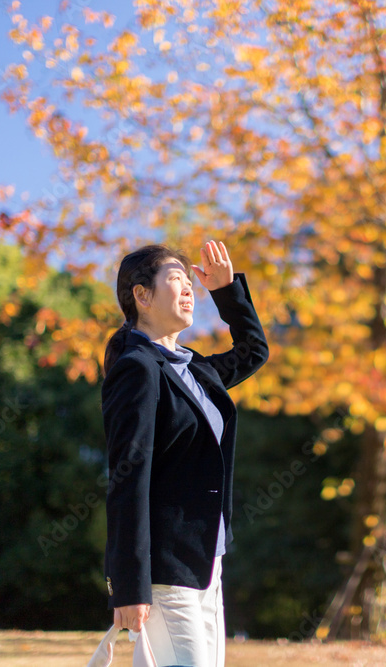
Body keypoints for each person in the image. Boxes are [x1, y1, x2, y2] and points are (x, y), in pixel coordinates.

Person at [101, 240, 268, 666]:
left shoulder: (192, 367)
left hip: (207, 560)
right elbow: (128, 479)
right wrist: (128, 584)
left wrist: (227, 291)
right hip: (164, 566)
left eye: (188, 280)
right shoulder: (137, 370)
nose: (188, 288)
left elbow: (254, 352)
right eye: (175, 279)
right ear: (142, 296)